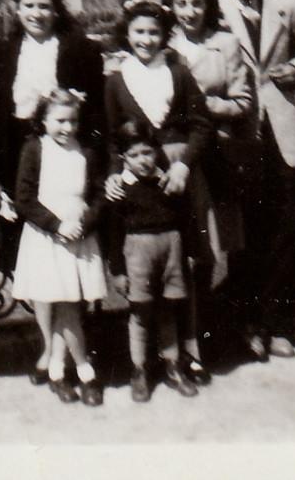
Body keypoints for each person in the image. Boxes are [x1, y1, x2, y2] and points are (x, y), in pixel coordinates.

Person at [0, 0, 105, 383]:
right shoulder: (0, 54)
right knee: (31, 263)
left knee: (68, 259)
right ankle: (50, 347)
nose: (37, 14)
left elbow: (96, 121)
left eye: (45, 6)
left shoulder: (82, 52)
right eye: (29, 6)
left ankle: (63, 352)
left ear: (57, 10)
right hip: (19, 160)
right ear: (17, 10)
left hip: (66, 158)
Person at [217, 0, 295, 361]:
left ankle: (280, 326)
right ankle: (249, 325)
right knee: (246, 234)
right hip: (240, 134)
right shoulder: (215, 10)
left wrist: (293, 70)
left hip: (282, 129)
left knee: (285, 230)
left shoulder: (286, 8)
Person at [162, 0, 252, 383]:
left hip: (215, 157)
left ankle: (206, 340)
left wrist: (203, 107)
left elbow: (243, 102)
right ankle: (177, 344)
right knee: (177, 251)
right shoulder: (163, 47)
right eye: (181, 4)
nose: (189, 12)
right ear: (172, 6)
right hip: (176, 158)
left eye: (196, 3)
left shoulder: (226, 43)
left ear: (207, 5)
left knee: (210, 253)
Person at [10, 88, 107, 406]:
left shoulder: (86, 151)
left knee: (68, 308)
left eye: (73, 121)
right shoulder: (34, 149)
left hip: (78, 236)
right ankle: (84, 372)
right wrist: (56, 225)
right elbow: (24, 198)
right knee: (64, 308)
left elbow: (97, 196)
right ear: (43, 120)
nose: (67, 128)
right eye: (60, 121)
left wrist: (84, 223)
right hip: (47, 237)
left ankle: (56, 370)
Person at [102, 118, 199, 402]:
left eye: (147, 152)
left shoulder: (168, 182)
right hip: (138, 255)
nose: (142, 160)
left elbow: (187, 220)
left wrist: (189, 254)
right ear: (123, 158)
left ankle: (172, 366)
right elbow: (113, 234)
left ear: (156, 151)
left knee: (170, 309)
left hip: (172, 251)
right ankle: (139, 370)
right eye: (133, 155)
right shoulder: (120, 190)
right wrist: (118, 271)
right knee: (141, 312)